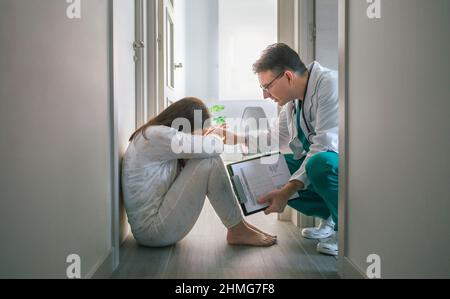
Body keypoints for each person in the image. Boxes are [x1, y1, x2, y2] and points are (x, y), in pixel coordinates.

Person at [121, 97, 277, 248]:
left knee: (207, 159)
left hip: (153, 227)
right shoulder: (157, 135)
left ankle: (239, 225)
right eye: (202, 131)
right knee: (209, 160)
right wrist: (216, 133)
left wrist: (210, 134)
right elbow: (212, 147)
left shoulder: (156, 135)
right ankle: (237, 228)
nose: (203, 135)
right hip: (153, 232)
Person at [251, 43, 339, 256]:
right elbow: (275, 138)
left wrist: (286, 192)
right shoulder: (292, 103)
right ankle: (331, 216)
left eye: (267, 86)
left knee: (320, 164)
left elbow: (323, 147)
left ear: (288, 77)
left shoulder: (330, 84)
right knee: (268, 169)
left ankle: (346, 228)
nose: (265, 95)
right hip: (323, 163)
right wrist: (233, 137)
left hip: (344, 164)